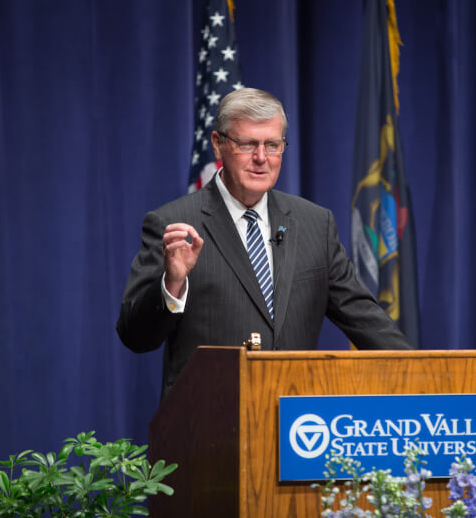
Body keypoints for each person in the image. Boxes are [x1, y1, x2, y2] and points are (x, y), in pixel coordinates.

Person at [117, 88, 410, 397]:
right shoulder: (174, 223)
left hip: (297, 428)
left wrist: (432, 375)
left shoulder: (314, 223)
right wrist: (172, 284)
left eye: (273, 145)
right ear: (218, 144)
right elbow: (135, 336)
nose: (261, 158)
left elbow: (365, 319)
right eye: (247, 144)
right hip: (205, 426)